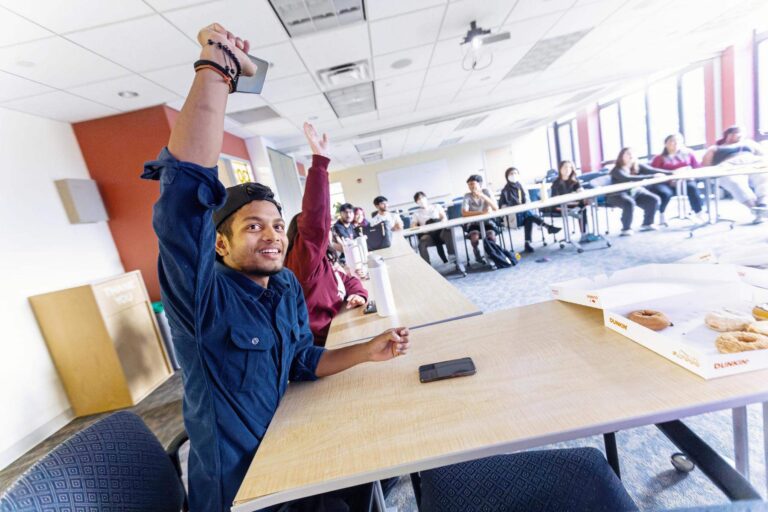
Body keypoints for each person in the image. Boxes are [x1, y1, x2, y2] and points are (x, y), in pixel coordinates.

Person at [141, 23, 410, 512]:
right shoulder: (203, 299)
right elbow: (184, 199)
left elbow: (301, 361)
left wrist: (367, 351)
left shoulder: (284, 284)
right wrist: (216, 71)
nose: (272, 236)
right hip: (248, 490)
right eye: (252, 228)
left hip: (292, 449)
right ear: (219, 246)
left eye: (275, 224)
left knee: (377, 463)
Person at [284, 124, 368, 347]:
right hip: (324, 345)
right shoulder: (303, 262)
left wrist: (358, 295)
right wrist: (320, 163)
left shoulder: (321, 261)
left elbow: (348, 280)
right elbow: (315, 221)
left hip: (340, 328)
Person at [701, 126, 768, 223]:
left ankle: (763, 204)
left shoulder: (749, 144)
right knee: (734, 183)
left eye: (739, 133)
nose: (737, 135)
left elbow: (763, 156)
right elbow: (706, 165)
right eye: (734, 133)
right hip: (728, 166)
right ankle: (755, 208)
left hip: (752, 162)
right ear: (727, 135)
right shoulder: (715, 148)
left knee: (763, 177)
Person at [498, 167, 560, 253]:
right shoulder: (505, 190)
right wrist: (514, 207)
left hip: (524, 214)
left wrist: (523, 206)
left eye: (515, 173)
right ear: (507, 176)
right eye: (511, 174)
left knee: (529, 218)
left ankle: (527, 243)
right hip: (514, 217)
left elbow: (527, 202)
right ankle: (547, 227)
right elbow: (502, 207)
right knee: (529, 215)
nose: (514, 175)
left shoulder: (521, 187)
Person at [606, 147, 662, 236]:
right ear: (621, 157)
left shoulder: (637, 166)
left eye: (632, 153)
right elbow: (627, 178)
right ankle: (626, 228)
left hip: (635, 192)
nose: (630, 155)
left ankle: (647, 223)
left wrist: (673, 172)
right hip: (617, 194)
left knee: (654, 199)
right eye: (627, 153)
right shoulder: (616, 170)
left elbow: (654, 171)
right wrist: (651, 177)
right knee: (629, 203)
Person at [650, 133, 705, 222]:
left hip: (685, 180)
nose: (675, 143)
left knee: (692, 187)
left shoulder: (688, 154)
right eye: (672, 141)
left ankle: (699, 212)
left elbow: (697, 167)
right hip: (667, 183)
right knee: (665, 193)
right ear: (666, 144)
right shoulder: (659, 158)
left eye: (678, 141)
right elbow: (654, 172)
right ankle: (661, 213)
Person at [548, 160, 596, 244]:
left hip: (573, 204)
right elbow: (555, 199)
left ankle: (584, 234)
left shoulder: (574, 180)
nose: (567, 169)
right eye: (565, 167)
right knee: (581, 207)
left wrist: (580, 191)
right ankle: (583, 232)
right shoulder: (556, 183)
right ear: (560, 169)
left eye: (570, 167)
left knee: (583, 207)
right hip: (559, 206)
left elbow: (580, 190)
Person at [461, 174, 499, 263]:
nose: (471, 186)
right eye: (469, 184)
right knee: (474, 238)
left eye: (473, 184)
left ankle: (491, 254)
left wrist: (482, 196)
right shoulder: (467, 196)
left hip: (488, 222)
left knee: (491, 237)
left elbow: (495, 208)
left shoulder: (486, 191)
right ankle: (477, 254)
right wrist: (482, 213)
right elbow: (464, 213)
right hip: (473, 223)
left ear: (480, 184)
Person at [411, 191, 453, 264]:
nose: (421, 200)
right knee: (422, 243)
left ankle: (452, 255)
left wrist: (441, 222)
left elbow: (444, 218)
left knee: (448, 232)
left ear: (426, 198)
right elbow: (412, 226)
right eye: (418, 200)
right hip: (428, 234)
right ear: (416, 202)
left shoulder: (436, 206)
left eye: (422, 198)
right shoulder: (416, 213)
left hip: (440, 232)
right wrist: (422, 229)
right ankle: (427, 265)